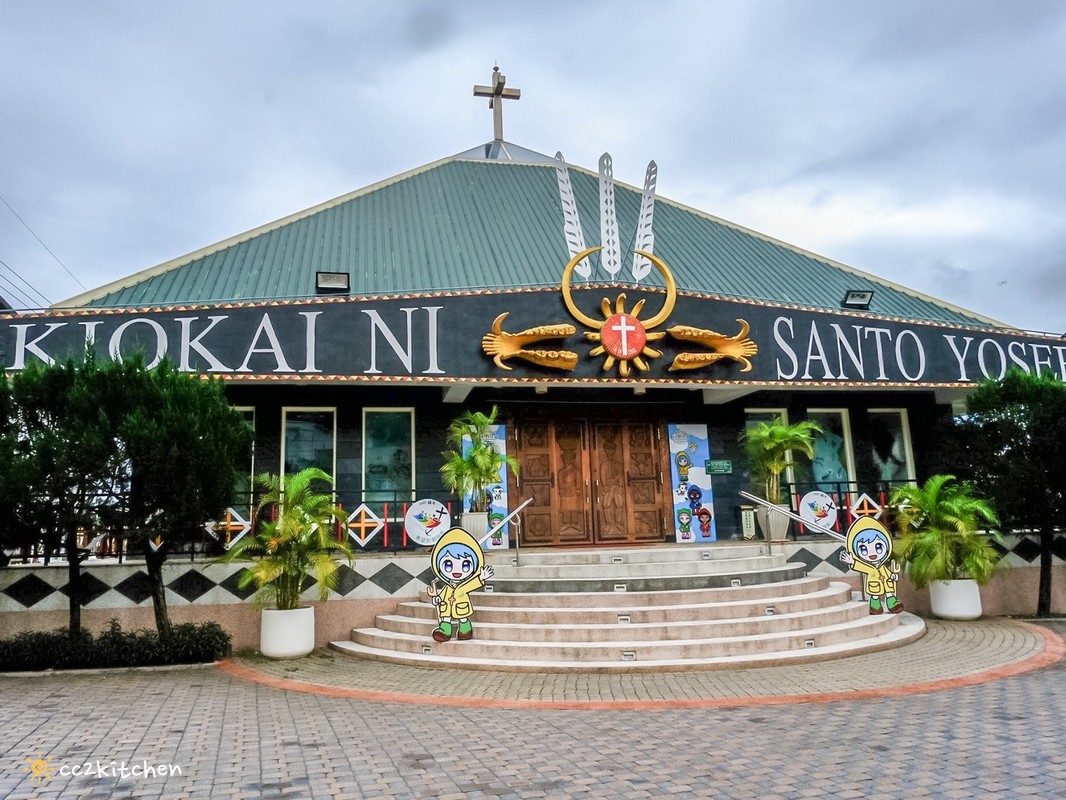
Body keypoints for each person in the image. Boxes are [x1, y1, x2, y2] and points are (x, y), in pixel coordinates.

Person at [426, 527, 495, 641]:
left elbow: (473, 584)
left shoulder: (464, 586)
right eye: (448, 565)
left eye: (465, 565)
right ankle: (444, 632)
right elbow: (442, 595)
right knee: (446, 618)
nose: (456, 571)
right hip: (447, 606)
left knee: (463, 618)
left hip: (461, 606)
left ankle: (465, 630)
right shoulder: (447, 587)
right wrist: (437, 599)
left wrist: (481, 577)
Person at [839, 516, 904, 615]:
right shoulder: (868, 567)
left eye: (878, 547)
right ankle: (875, 606)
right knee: (875, 595)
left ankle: (893, 605)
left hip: (886, 582)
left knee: (889, 593)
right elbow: (860, 566)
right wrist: (852, 561)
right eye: (864, 549)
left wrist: (892, 576)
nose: (872, 552)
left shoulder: (881, 565)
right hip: (874, 584)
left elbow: (886, 571)